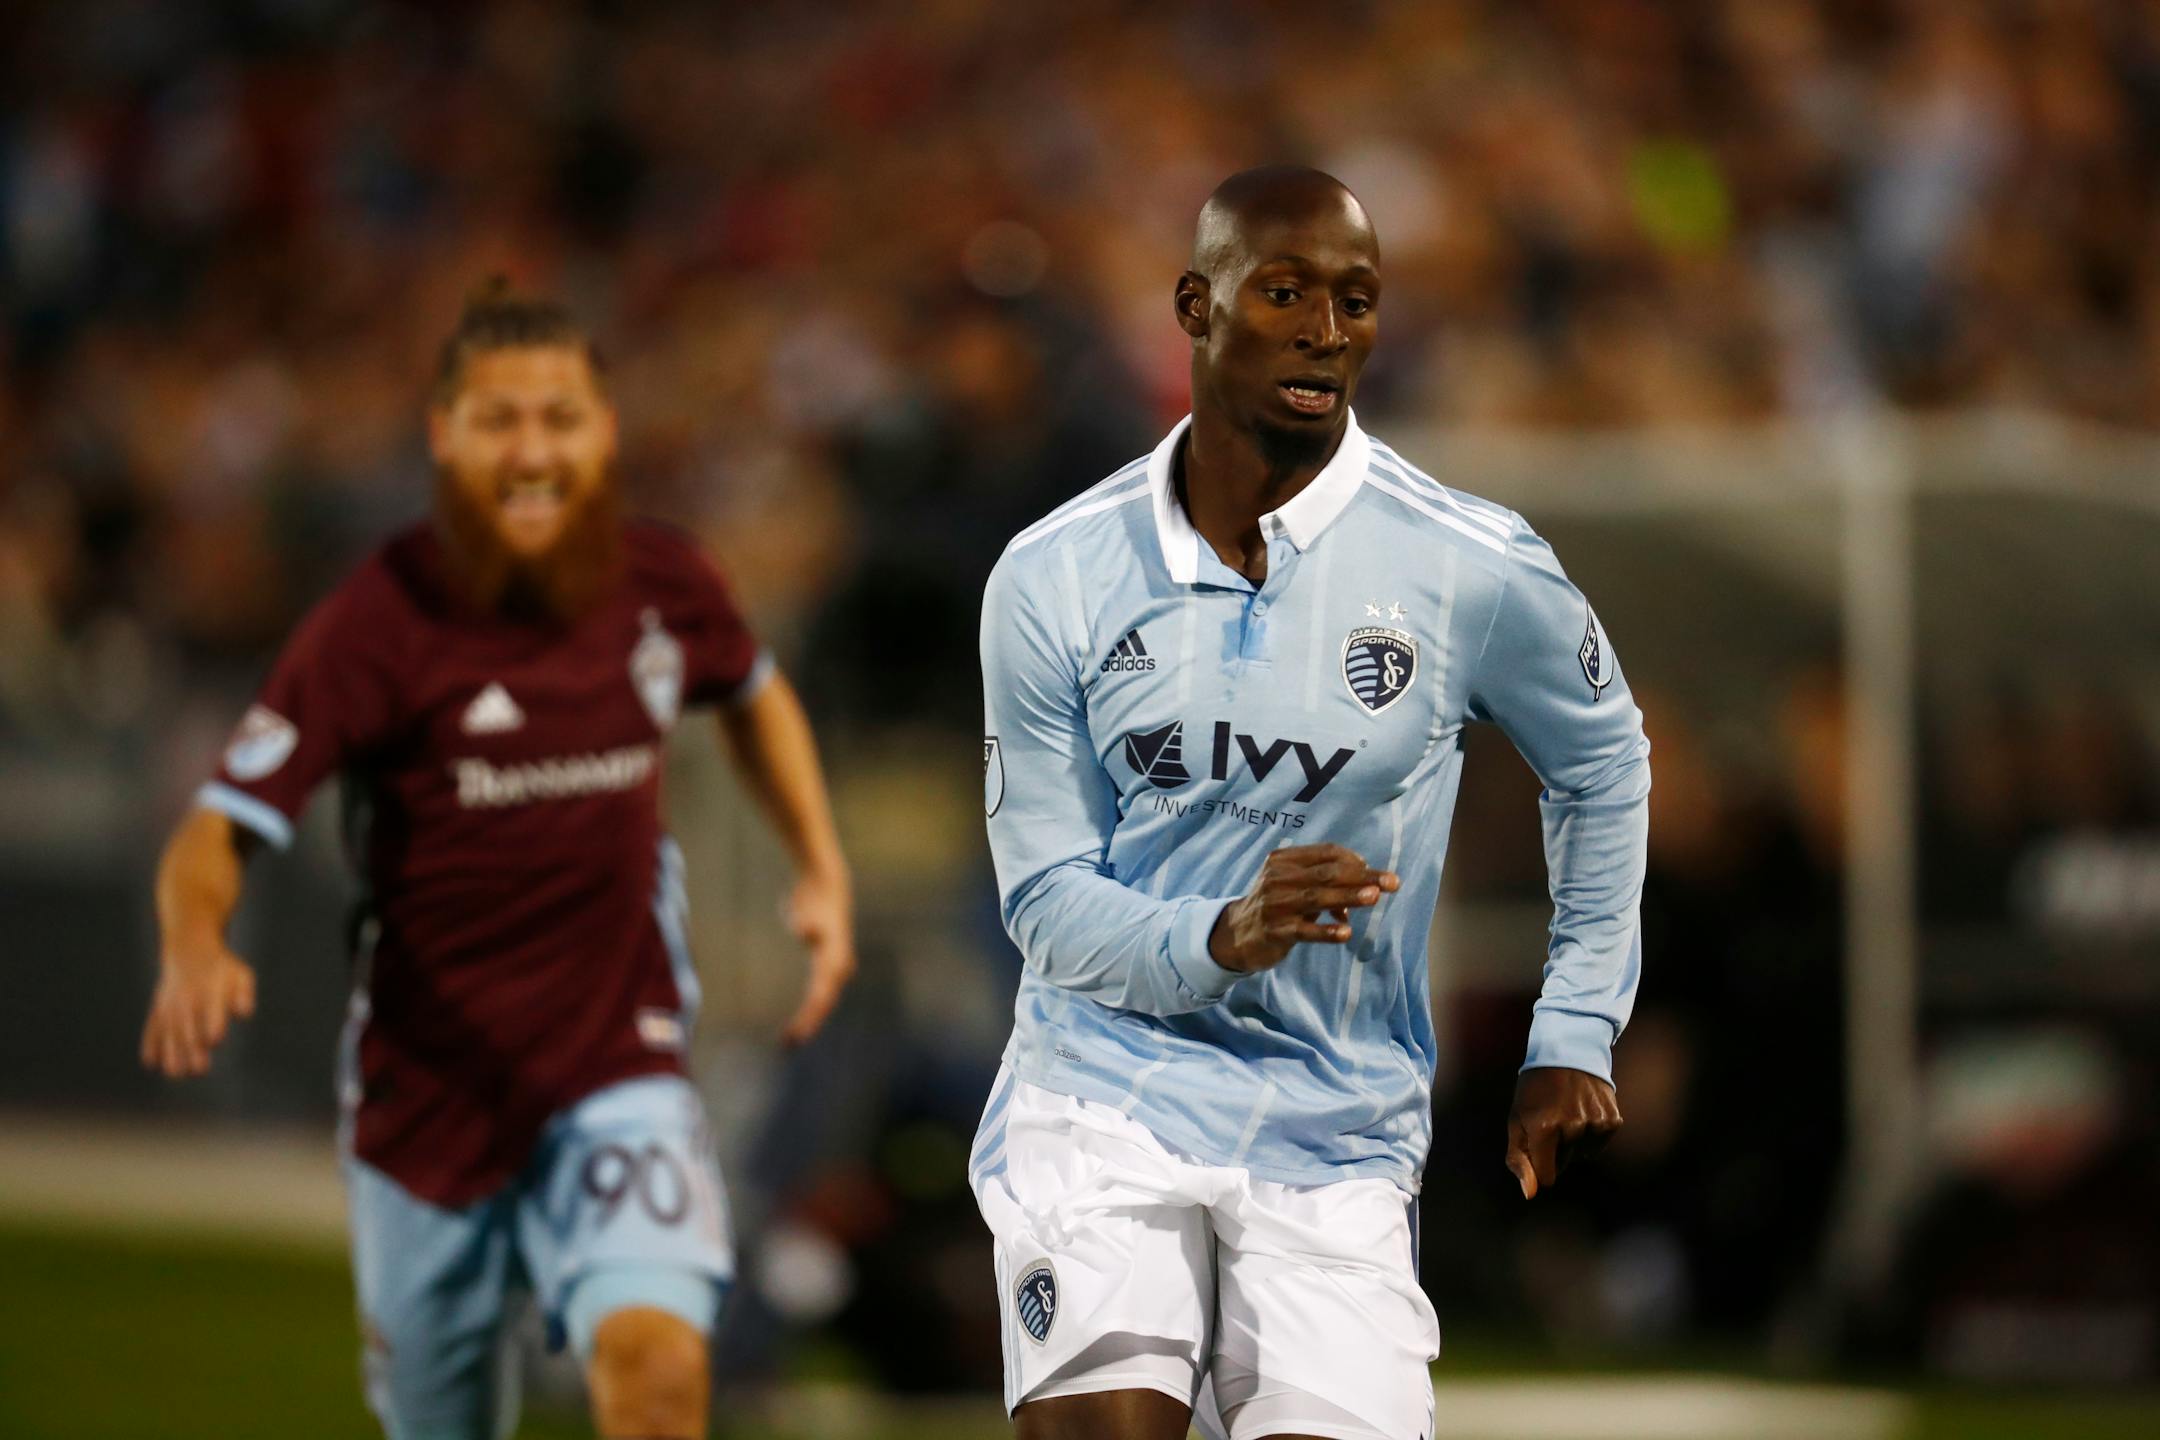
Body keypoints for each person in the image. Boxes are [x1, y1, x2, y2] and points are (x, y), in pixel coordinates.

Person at [973, 167, 1649, 1440]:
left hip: (1336, 1123)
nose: (1325, 333)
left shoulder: (1469, 566)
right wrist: (1222, 933)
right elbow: (1051, 903)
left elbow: (1606, 764)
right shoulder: (1053, 574)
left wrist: (1573, 1029)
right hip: (1103, 1094)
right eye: (1283, 293)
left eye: (1357, 301)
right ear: (1196, 303)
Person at [141, 283, 855, 1440]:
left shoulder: (664, 584)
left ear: (604, 430)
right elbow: (222, 822)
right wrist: (194, 939)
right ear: (445, 435)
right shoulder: (378, 624)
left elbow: (756, 696)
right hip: (431, 1105)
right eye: (499, 420)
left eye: (559, 418)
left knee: (660, 1372)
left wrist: (819, 866)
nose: (532, 450)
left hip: (618, 1069)